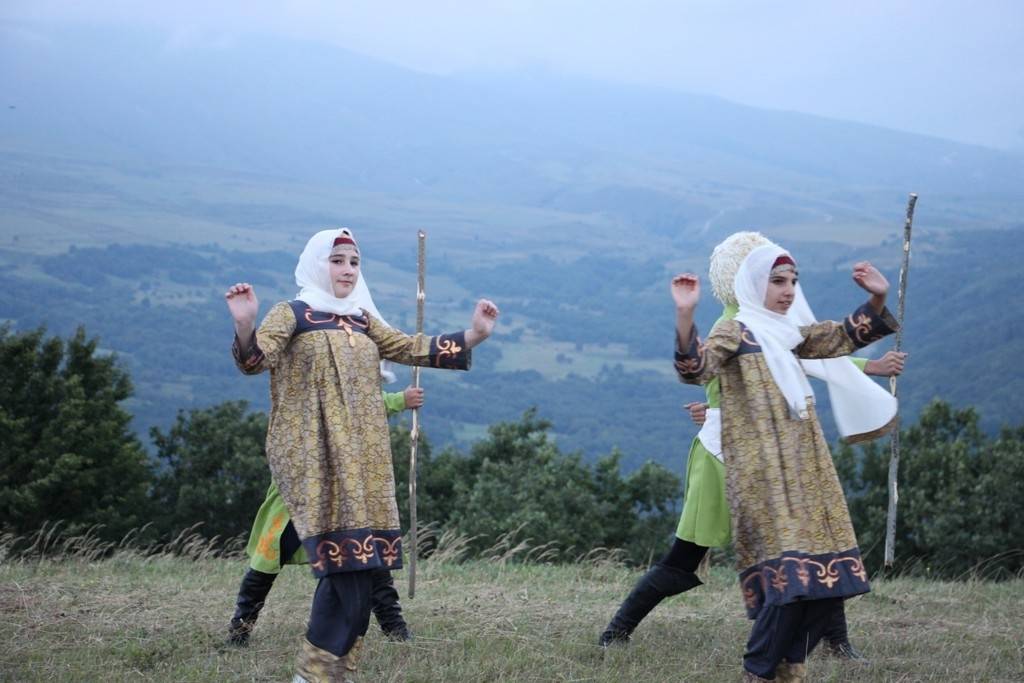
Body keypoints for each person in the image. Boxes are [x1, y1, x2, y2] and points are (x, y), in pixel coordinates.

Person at [599, 232, 903, 664]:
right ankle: (617, 630)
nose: (788, 290)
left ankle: (836, 643)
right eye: (777, 280)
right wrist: (685, 317)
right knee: (685, 557)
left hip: (781, 457)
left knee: (815, 547)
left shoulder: (785, 327)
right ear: (748, 278)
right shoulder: (733, 325)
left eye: (791, 281)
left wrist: (877, 302)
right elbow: (697, 367)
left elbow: (830, 343)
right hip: (725, 453)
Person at [226, 227, 498, 683]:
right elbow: (255, 362)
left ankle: (327, 673)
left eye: (354, 262)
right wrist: (244, 323)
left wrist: (474, 334)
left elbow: (412, 347)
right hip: (315, 462)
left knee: (356, 572)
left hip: (364, 466)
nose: (347, 270)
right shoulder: (291, 313)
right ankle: (315, 674)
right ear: (317, 263)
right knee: (345, 573)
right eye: (337, 260)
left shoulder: (362, 320)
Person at [228, 385, 424, 647]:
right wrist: (399, 400)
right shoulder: (301, 384)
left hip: (341, 493)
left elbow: (355, 400)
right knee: (266, 565)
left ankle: (396, 630)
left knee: (370, 559)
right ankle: (240, 631)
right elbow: (347, 408)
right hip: (298, 493)